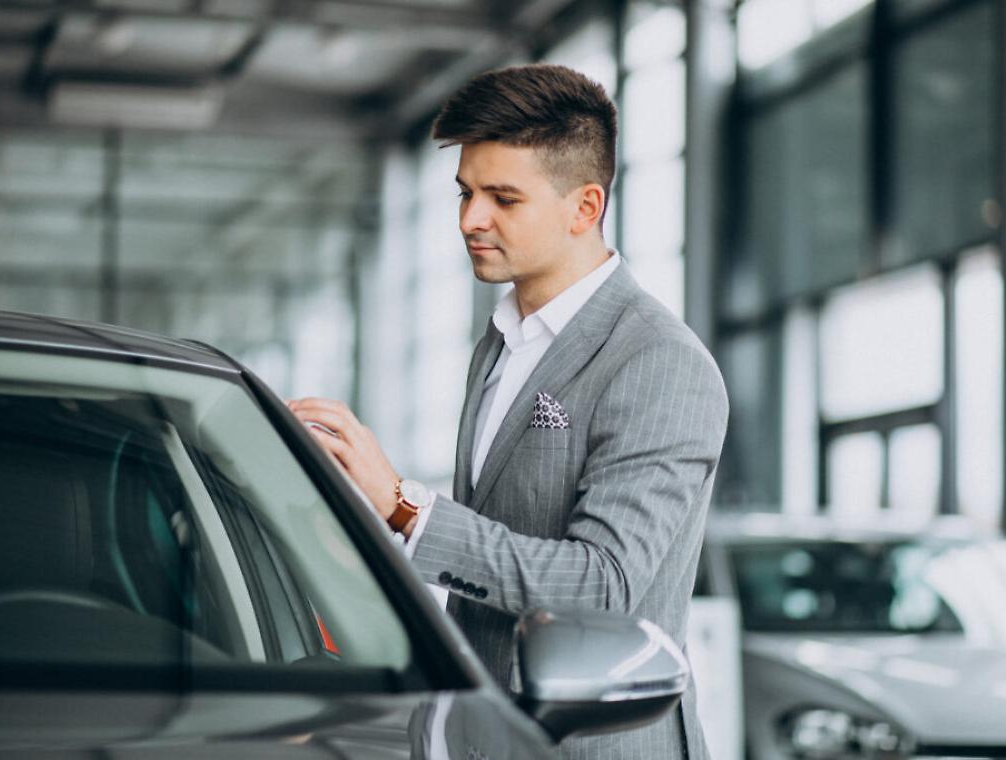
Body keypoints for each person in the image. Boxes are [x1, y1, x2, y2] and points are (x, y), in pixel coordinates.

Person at [289, 63, 728, 760]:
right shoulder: (498, 343)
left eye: (503, 199)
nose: (470, 220)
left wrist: (406, 509)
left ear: (584, 208)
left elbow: (602, 586)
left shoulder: (658, 363)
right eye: (465, 193)